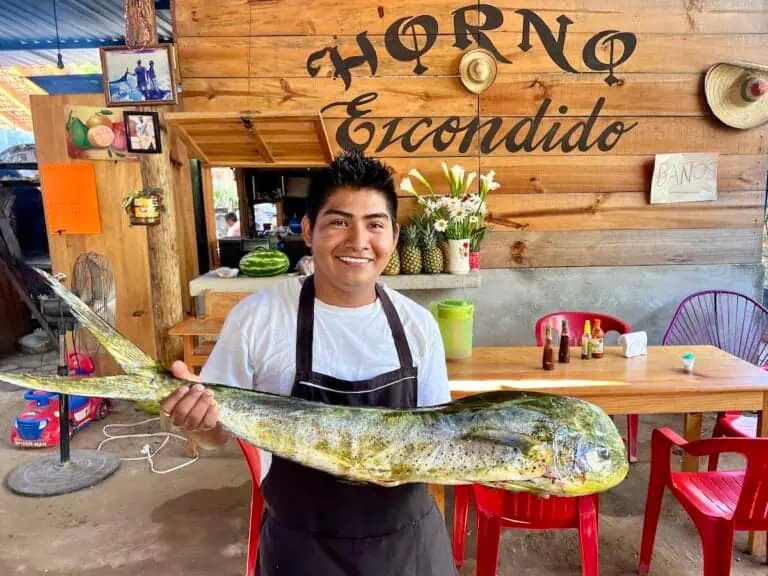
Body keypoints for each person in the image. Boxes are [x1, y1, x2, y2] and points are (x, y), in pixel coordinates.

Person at [160, 150, 457, 575]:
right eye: (338, 222)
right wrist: (197, 423)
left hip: (407, 549)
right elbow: (215, 437)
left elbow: (439, 442)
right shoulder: (258, 318)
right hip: (302, 550)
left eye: (374, 225)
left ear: (393, 235)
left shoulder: (418, 325)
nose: (358, 241)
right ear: (307, 230)